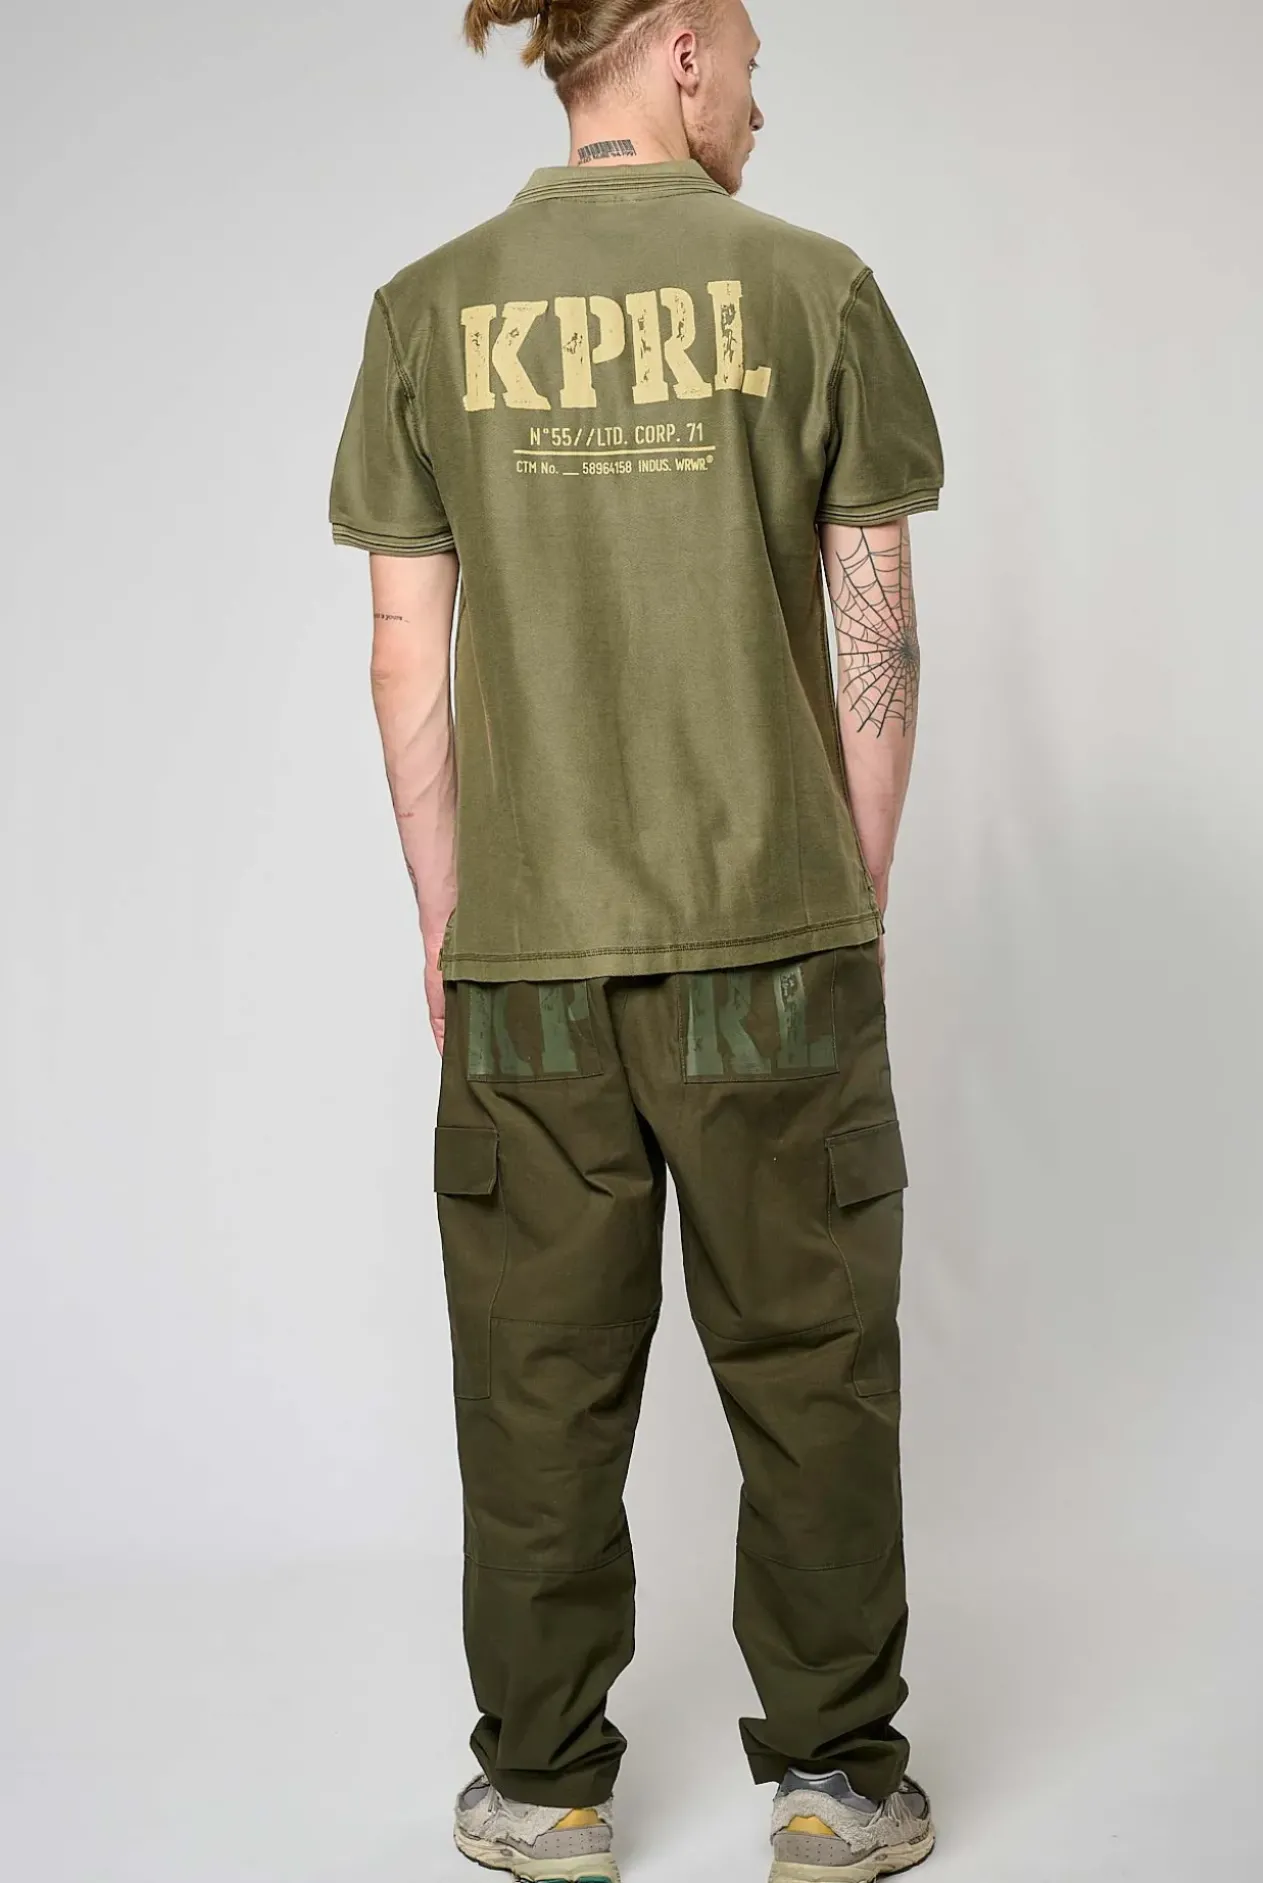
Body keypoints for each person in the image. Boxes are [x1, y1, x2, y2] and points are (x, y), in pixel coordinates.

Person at [328, 0, 945, 1876]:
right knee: (809, 1366)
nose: (760, 91)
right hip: (773, 945)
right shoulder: (816, 290)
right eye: (747, 51)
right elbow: (879, 631)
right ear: (678, 49)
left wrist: (450, 918)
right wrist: (848, 893)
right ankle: (836, 1788)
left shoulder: (426, 310)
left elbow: (406, 659)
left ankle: (544, 1792)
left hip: (527, 967)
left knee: (535, 1385)